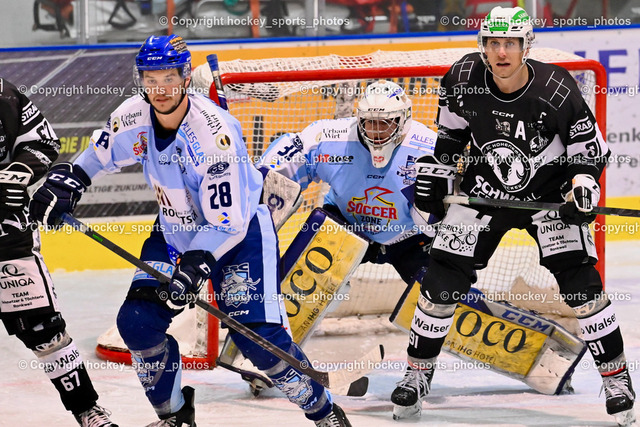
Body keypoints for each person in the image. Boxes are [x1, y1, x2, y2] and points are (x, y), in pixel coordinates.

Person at [29, 35, 351, 427]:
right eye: (151, 80)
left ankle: (323, 412)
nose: (160, 89)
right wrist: (70, 179)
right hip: (173, 233)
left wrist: (196, 265)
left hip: (239, 238)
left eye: (168, 78)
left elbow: (228, 223)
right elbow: (100, 153)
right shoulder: (134, 115)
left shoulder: (215, 136)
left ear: (184, 78)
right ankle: (176, 417)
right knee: (138, 323)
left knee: (259, 342)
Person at [396, 6, 635, 425]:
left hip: (548, 197)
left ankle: (617, 381)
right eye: (494, 43)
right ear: (483, 46)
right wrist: (438, 176)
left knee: (581, 286)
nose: (502, 52)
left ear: (527, 46)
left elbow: (588, 152)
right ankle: (417, 375)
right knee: (441, 282)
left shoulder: (556, 89)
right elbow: (451, 138)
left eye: (511, 43)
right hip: (485, 192)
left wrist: (583, 185)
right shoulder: (462, 79)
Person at [0, 78, 117, 426]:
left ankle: (87, 410)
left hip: (7, 234)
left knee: (44, 330)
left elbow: (43, 141)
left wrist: (19, 171)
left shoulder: (4, 94)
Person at [258, 79, 437, 296]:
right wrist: (259, 196)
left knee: (440, 292)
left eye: (385, 123)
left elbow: (450, 211)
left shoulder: (428, 148)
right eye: (370, 122)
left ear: (404, 119)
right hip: (346, 225)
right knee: (297, 289)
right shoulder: (329, 138)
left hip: (409, 237)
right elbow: (278, 169)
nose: (376, 131)